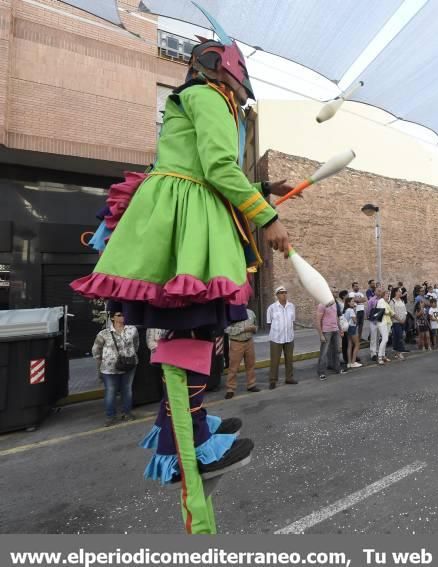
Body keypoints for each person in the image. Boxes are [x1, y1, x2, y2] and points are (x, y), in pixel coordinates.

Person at [69, 25, 296, 532]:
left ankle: (188, 430)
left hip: (183, 210)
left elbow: (198, 159)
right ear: (229, 73)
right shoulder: (211, 96)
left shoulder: (191, 96)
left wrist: (261, 184)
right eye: (241, 83)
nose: (242, 92)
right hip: (191, 218)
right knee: (195, 329)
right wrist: (267, 215)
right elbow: (216, 164)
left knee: (192, 331)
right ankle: (186, 445)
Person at [93, 311, 139, 426]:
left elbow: (136, 344)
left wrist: (130, 354)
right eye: (119, 315)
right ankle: (110, 416)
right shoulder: (104, 333)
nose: (122, 317)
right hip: (109, 368)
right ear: (112, 318)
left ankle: (127, 413)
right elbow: (96, 350)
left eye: (124, 314)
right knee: (111, 391)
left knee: (127, 389)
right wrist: (101, 361)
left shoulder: (132, 329)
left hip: (129, 365)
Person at [224, 308, 258, 399]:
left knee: (250, 365)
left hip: (249, 341)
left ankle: (251, 384)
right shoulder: (231, 312)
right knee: (233, 367)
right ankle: (230, 389)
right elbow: (226, 329)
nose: (244, 301)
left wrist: (254, 329)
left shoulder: (251, 312)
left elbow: (256, 325)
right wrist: (243, 329)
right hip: (236, 342)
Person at [266, 286, 296, 389]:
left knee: (289, 359)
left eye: (285, 292)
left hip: (289, 337)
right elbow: (269, 323)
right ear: (277, 295)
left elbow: (292, 321)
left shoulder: (291, 306)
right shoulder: (272, 308)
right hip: (276, 338)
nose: (284, 294)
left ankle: (289, 378)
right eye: (281, 293)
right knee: (275, 360)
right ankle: (273, 380)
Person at [316, 290, 344, 381]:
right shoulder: (322, 305)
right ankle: (321, 372)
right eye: (334, 292)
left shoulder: (334, 304)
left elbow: (335, 317)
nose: (336, 293)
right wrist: (321, 335)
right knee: (323, 352)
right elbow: (318, 321)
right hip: (326, 331)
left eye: (336, 291)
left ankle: (337, 368)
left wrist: (340, 329)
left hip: (335, 330)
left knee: (336, 350)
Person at [390, 287, 410, 357]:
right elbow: (392, 313)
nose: (401, 292)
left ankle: (399, 350)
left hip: (403, 321)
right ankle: (399, 352)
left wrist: (404, 319)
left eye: (401, 291)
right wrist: (399, 320)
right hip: (396, 322)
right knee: (398, 336)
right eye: (399, 291)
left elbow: (405, 311)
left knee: (400, 336)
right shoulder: (392, 301)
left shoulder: (401, 300)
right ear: (395, 292)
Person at [343, 297, 362, 368]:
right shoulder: (351, 310)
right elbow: (355, 321)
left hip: (347, 328)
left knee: (350, 345)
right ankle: (353, 362)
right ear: (348, 303)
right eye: (352, 301)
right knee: (357, 344)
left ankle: (349, 362)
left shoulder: (346, 310)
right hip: (352, 327)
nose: (353, 303)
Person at [376, 289, 394, 364]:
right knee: (385, 339)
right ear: (383, 295)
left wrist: (389, 312)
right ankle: (379, 357)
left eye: (389, 295)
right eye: (387, 295)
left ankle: (383, 356)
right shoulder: (381, 301)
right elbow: (385, 311)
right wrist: (389, 312)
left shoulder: (386, 302)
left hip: (387, 322)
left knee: (385, 339)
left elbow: (391, 312)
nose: (388, 296)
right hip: (382, 322)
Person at [366, 287, 382, 362]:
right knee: (373, 337)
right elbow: (368, 310)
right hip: (373, 321)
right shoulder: (371, 300)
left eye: (380, 291)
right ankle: (373, 353)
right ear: (375, 292)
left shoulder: (382, 300)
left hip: (380, 320)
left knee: (378, 336)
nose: (379, 292)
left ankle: (378, 351)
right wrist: (370, 317)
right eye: (378, 291)